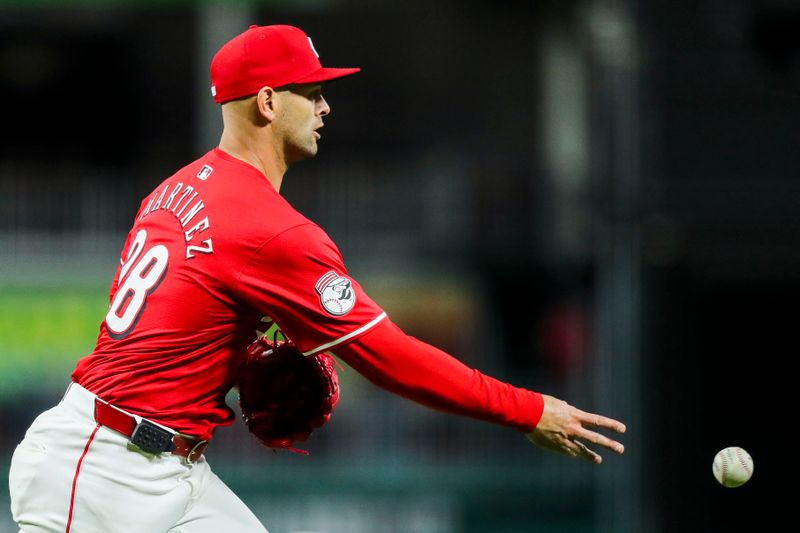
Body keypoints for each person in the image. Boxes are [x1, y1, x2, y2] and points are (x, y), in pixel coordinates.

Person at [8, 24, 626, 533]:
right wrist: (527, 409)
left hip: (168, 469)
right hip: (96, 470)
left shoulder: (172, 189)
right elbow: (391, 359)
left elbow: (174, 319)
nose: (326, 106)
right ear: (269, 102)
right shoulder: (274, 232)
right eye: (312, 92)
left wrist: (245, 355)